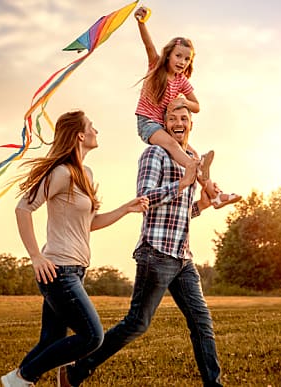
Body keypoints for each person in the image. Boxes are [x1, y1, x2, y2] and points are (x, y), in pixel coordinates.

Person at [59, 104, 223, 386]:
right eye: (171, 118)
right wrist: (182, 184)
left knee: (202, 323)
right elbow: (144, 198)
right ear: (164, 125)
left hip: (182, 257)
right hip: (155, 254)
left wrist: (203, 206)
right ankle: (77, 370)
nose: (178, 122)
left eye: (184, 118)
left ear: (191, 124)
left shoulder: (192, 157)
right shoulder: (154, 153)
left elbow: (180, 213)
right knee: (137, 323)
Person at [0, 110, 149, 387]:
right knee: (92, 336)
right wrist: (36, 256)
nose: (96, 130)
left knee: (52, 341)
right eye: (92, 126)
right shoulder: (61, 172)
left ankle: (18, 382)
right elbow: (24, 208)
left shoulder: (85, 174)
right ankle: (21, 378)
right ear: (81, 134)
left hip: (76, 270)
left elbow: (89, 224)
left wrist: (126, 209)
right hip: (58, 270)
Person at [132, 6, 241, 210]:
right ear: (168, 56)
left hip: (163, 126)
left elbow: (197, 106)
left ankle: (215, 196)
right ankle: (195, 168)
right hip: (147, 123)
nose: (182, 62)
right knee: (176, 149)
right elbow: (148, 45)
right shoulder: (156, 67)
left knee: (194, 154)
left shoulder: (182, 81)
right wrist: (141, 23)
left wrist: (183, 102)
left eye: (186, 59)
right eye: (178, 56)